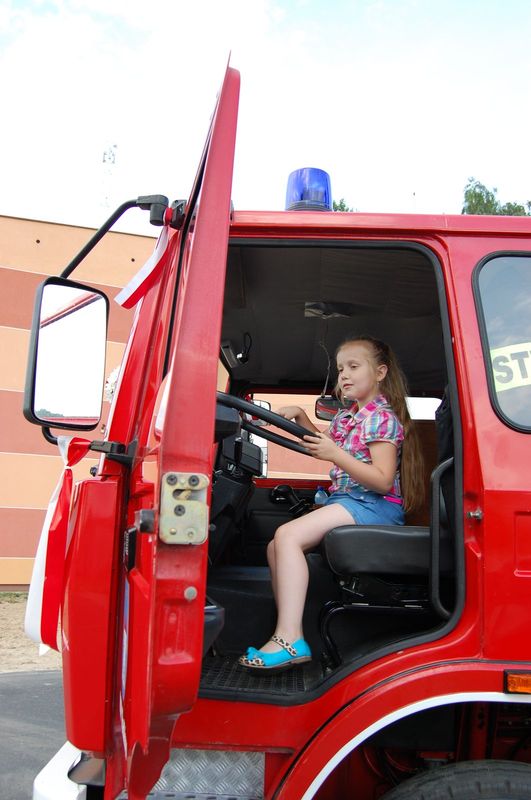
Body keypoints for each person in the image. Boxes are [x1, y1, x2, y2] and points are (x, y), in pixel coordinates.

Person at [238, 335, 424, 671]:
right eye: (341, 370)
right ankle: (290, 632)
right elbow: (323, 444)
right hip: (347, 499)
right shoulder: (348, 416)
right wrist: (299, 417)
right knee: (273, 547)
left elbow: (382, 479)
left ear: (380, 372)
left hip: (373, 505)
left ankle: (289, 639)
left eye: (354, 367)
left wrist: (336, 454)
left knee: (288, 536)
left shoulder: (381, 417)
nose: (345, 376)